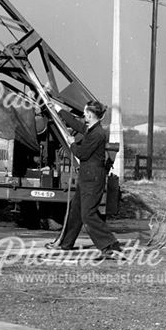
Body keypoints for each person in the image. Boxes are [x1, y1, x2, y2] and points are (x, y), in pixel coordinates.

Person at [57, 99, 123, 260]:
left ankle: (110, 245)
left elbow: (82, 154)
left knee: (88, 214)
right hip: (87, 178)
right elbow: (76, 125)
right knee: (76, 210)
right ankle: (66, 243)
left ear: (91, 115)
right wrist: (59, 110)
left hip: (93, 180)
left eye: (86, 112)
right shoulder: (92, 129)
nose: (84, 115)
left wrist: (72, 144)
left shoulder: (98, 134)